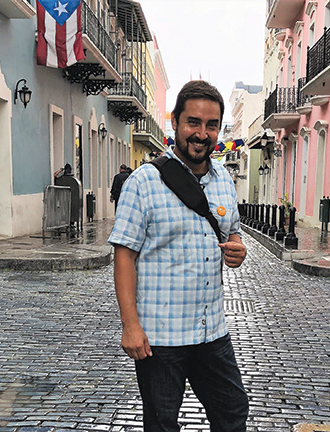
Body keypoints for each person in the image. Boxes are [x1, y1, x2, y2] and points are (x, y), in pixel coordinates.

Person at [108, 80, 249, 431]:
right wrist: (130, 326)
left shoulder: (224, 182)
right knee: (161, 423)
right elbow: (124, 255)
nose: (202, 133)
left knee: (232, 412)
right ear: (175, 122)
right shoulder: (142, 183)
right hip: (160, 337)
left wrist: (237, 249)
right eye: (193, 123)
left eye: (211, 125)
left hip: (210, 331)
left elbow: (233, 232)